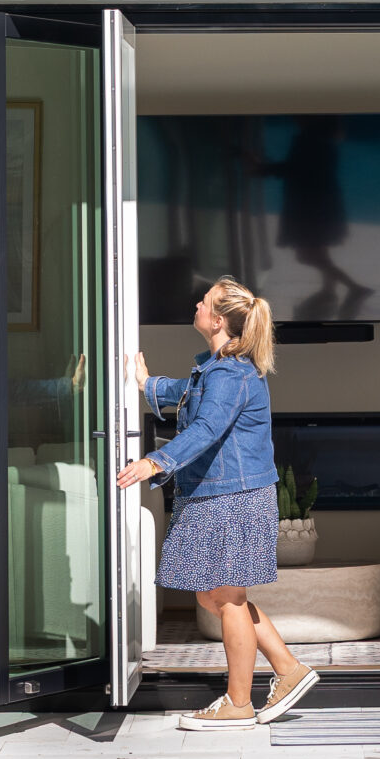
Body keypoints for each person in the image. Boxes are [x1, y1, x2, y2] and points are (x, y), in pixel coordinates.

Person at [115, 276, 319, 731]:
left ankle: (239, 703)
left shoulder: (230, 374)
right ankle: (288, 670)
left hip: (234, 498)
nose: (197, 304)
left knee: (225, 597)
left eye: (204, 302)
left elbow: (207, 429)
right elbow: (187, 394)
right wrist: (147, 384)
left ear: (219, 319)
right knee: (215, 596)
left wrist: (154, 462)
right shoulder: (217, 367)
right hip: (221, 495)